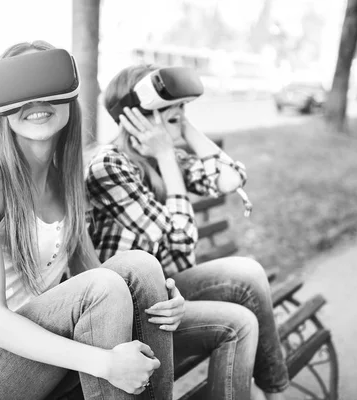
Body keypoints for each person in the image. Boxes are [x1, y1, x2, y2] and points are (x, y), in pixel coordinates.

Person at [0, 42, 173, 400]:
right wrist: (105, 363)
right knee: (102, 286)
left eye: (49, 87)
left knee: (141, 267)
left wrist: (162, 297)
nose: (37, 101)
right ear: (2, 107)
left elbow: (101, 273)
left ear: (69, 96)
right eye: (21, 90)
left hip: (40, 353)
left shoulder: (65, 181)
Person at [85, 64, 289, 400]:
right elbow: (180, 241)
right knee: (238, 322)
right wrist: (166, 155)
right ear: (136, 117)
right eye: (170, 108)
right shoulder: (110, 166)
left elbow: (231, 177)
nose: (180, 113)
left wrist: (183, 127)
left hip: (171, 292)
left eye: (184, 107)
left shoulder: (164, 156)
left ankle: (275, 392)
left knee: (248, 273)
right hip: (136, 308)